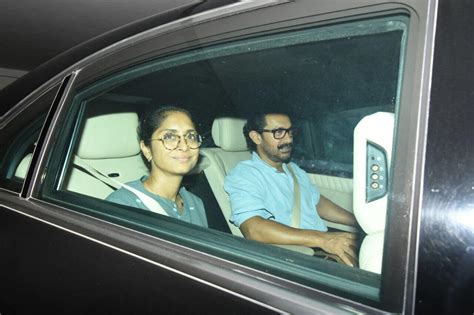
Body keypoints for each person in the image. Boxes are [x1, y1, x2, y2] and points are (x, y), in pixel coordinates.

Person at [224, 110, 359, 266]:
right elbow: (253, 229)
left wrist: (356, 221)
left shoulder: (293, 170)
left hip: (319, 244)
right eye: (279, 132)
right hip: (296, 256)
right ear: (256, 137)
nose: (288, 139)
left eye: (290, 131)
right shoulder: (244, 175)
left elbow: (317, 202)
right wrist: (322, 239)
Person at [107, 106, 208, 228]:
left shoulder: (195, 203)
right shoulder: (123, 206)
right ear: (147, 149)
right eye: (170, 137)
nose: (184, 146)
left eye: (191, 136)